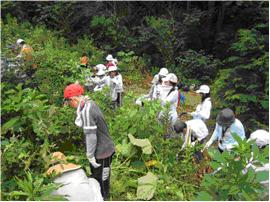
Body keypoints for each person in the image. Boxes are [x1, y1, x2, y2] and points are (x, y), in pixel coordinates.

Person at [63, 84, 115, 200]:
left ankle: (104, 198)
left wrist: (90, 154)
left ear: (73, 99)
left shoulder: (87, 109)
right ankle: (98, 196)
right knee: (97, 176)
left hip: (103, 151)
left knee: (102, 178)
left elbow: (91, 135)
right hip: (101, 148)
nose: (69, 105)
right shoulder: (88, 103)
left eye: (68, 102)